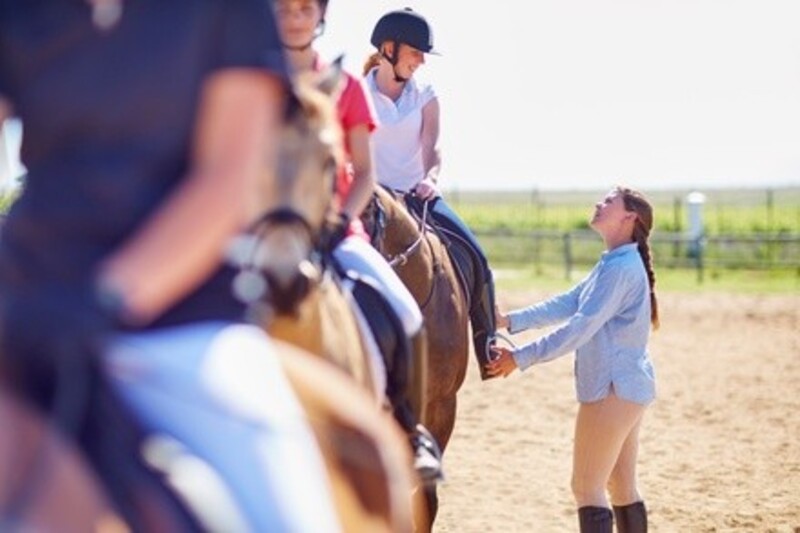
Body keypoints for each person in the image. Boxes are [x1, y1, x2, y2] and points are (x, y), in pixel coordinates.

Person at [0, 1, 340, 530]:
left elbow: (228, 181)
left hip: (179, 319)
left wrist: (105, 299)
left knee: (285, 520)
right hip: (27, 301)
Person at [272, 0, 443, 483]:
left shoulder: (345, 88)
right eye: (285, 7)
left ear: (320, 15)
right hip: (260, 233)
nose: (296, 15)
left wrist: (335, 223)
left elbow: (365, 173)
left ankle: (411, 433)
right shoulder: (249, 82)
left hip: (332, 231)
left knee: (404, 313)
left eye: (307, 7)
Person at [487, 186, 659, 533]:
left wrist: (519, 358)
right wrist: (511, 321)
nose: (600, 203)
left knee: (586, 487)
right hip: (630, 387)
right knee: (621, 486)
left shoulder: (620, 268)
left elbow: (579, 328)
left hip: (612, 388)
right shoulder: (615, 262)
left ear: (630, 217)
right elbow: (570, 302)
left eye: (609, 201)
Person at [363, 7, 499, 380]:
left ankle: (488, 340)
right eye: (416, 52)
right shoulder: (357, 91)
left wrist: (431, 178)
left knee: (475, 254)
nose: (422, 61)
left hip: (416, 194)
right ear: (388, 49)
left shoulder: (425, 93)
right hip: (369, 199)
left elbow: (432, 146)